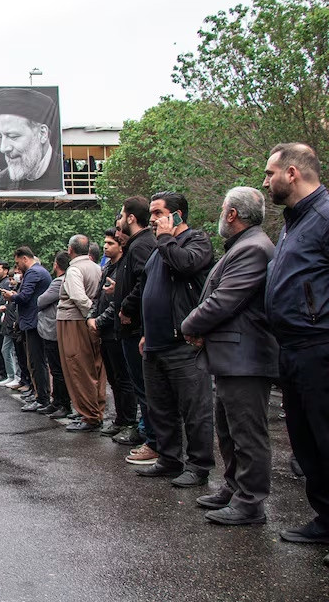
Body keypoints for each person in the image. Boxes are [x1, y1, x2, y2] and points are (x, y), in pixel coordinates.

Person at [181, 186, 277, 525]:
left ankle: (250, 503)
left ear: (232, 214)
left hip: (246, 357)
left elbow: (224, 300)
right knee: (229, 429)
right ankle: (235, 488)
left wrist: (190, 324)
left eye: (223, 210)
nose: (221, 215)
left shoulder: (252, 248)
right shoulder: (243, 245)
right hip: (233, 356)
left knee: (247, 433)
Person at [262, 143, 329, 549]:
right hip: (293, 347)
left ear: (292, 173)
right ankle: (325, 520)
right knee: (306, 441)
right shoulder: (293, 221)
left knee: (324, 436)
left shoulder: (323, 216)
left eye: (270, 174)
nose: (265, 181)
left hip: (319, 345)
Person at [134, 192, 214, 487]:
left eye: (157, 213)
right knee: (161, 407)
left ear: (177, 214)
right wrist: (146, 332)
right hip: (155, 343)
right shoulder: (158, 250)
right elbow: (151, 292)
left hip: (184, 343)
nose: (152, 219)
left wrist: (167, 238)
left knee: (195, 409)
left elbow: (185, 266)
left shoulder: (196, 241)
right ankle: (169, 458)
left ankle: (199, 465)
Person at [90, 196, 157, 462]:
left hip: (134, 327)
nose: (118, 221)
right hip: (126, 328)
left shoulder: (141, 246)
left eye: (120, 215)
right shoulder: (138, 246)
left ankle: (151, 440)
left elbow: (144, 282)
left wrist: (126, 307)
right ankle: (146, 434)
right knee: (131, 383)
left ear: (130, 217)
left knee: (142, 387)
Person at [56, 235, 106, 432]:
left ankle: (89, 415)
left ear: (70, 250)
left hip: (74, 321)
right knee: (95, 367)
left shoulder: (74, 269)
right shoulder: (96, 267)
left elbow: (77, 296)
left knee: (77, 366)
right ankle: (95, 410)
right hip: (89, 321)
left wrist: (90, 314)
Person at [92, 228, 137, 437]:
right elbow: (98, 297)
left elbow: (118, 302)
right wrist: (92, 317)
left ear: (120, 245)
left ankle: (129, 422)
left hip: (117, 330)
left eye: (110, 243)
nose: (105, 246)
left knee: (124, 378)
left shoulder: (123, 269)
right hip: (106, 332)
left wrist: (99, 321)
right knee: (114, 379)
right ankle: (119, 420)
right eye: (105, 243)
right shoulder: (107, 268)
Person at [0, 88, 62, 191]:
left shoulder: (64, 174)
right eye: (0, 137)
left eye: (13, 136)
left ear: (42, 134)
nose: (3, 148)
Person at [9, 247, 52, 411]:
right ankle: (40, 396)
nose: (17, 266)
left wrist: (11, 296)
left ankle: (42, 398)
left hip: (34, 323)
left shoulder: (33, 273)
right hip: (34, 322)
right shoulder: (39, 271)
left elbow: (25, 296)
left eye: (17, 262)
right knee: (35, 362)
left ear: (25, 258)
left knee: (36, 362)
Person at [36, 252, 72, 418]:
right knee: (55, 368)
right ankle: (57, 402)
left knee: (57, 369)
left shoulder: (59, 282)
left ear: (56, 265)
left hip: (53, 330)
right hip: (54, 329)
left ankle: (63, 403)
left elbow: (41, 300)